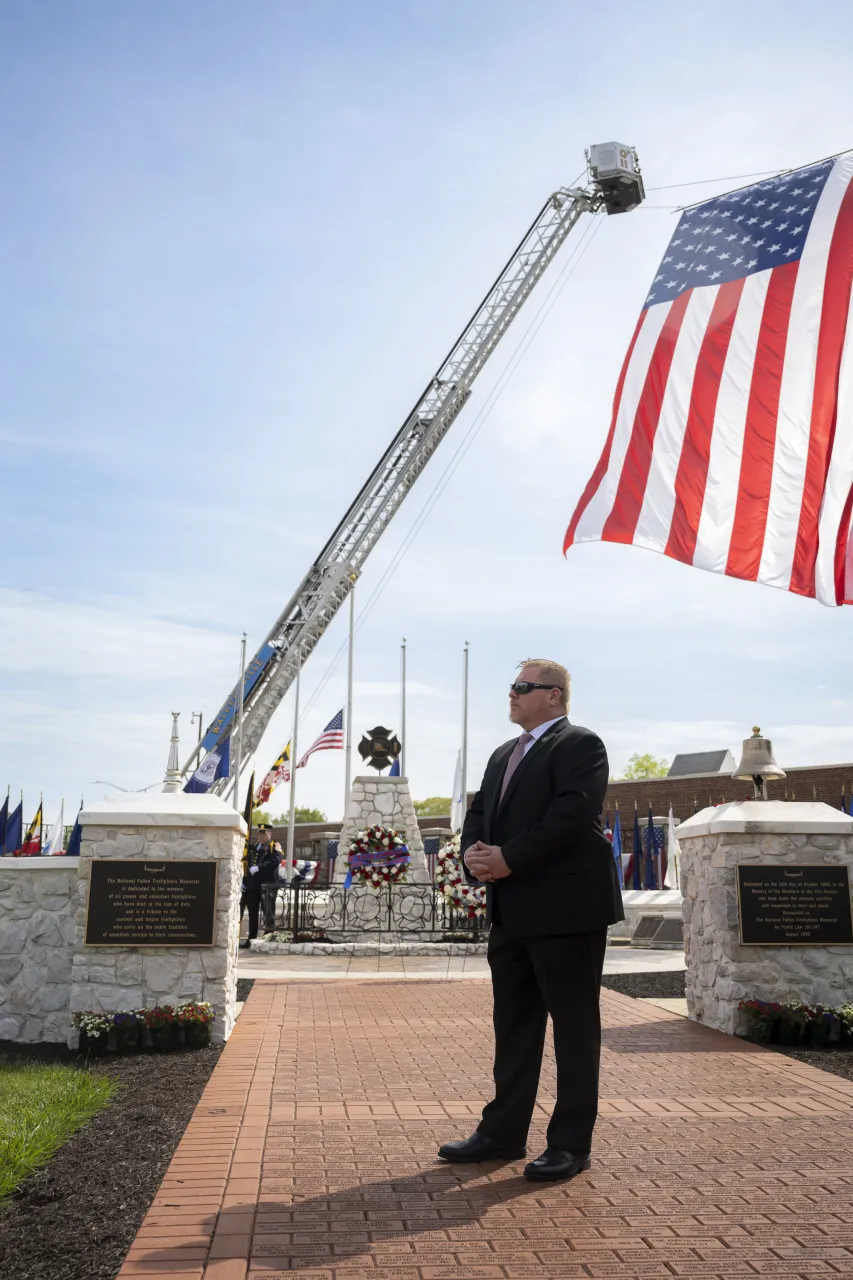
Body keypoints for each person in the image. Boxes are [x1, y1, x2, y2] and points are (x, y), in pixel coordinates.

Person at [438, 659, 623, 1182]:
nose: (512, 694)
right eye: (512, 685)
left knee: (573, 1029)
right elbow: (480, 815)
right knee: (514, 1027)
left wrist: (508, 858)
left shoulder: (581, 745)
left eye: (523, 687)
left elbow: (568, 817)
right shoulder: (502, 754)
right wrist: (475, 855)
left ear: (555, 696)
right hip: (511, 913)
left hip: (567, 912)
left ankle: (569, 1144)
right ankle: (501, 1134)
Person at [239, 823, 283, 949]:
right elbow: (245, 864)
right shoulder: (252, 847)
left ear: (270, 834)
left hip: (267, 885)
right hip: (252, 886)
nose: (261, 835)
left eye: (264, 833)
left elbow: (276, 861)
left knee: (268, 912)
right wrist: (244, 880)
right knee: (252, 913)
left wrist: (259, 867)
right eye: (260, 833)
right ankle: (251, 938)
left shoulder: (274, 846)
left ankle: (268, 937)